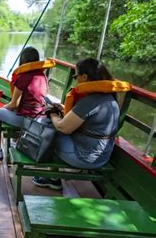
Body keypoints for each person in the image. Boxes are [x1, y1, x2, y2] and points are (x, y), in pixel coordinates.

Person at [33, 58, 131, 189]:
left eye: (75, 76)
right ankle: (53, 176)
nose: (75, 79)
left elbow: (63, 128)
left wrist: (53, 114)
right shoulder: (108, 98)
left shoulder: (90, 100)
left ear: (84, 77)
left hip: (84, 158)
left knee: (49, 129)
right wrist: (63, 109)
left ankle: (53, 178)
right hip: (102, 157)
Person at [0, 46, 55, 159]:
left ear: (23, 61)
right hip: (39, 117)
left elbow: (14, 104)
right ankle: (15, 140)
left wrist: (3, 107)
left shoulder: (23, 77)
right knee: (10, 111)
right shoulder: (42, 76)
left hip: (27, 120)